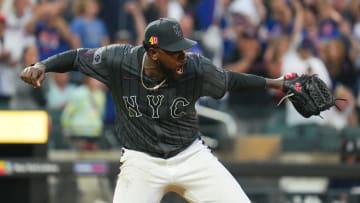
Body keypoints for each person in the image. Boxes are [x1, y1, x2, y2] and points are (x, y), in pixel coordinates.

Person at [20, 17, 285, 203]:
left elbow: (231, 79)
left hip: (190, 156)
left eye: (183, 49)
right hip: (141, 161)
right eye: (175, 52)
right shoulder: (119, 59)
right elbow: (76, 58)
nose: (183, 55)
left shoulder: (194, 66)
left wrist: (278, 84)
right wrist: (42, 65)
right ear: (155, 52)